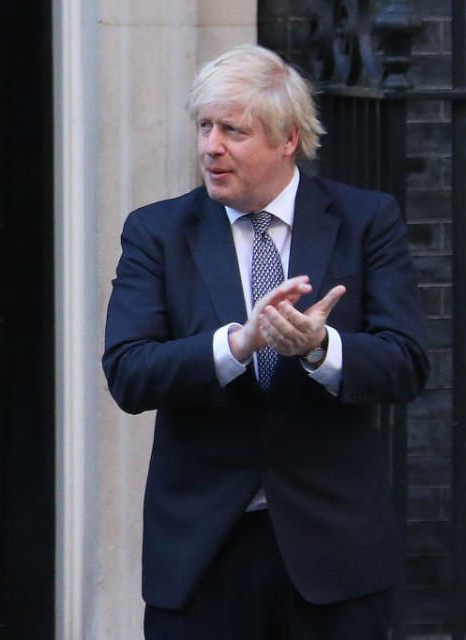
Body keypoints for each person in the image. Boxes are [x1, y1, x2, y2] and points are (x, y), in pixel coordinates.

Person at [103, 44, 429, 639]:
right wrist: (237, 343)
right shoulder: (157, 232)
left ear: (288, 139)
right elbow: (129, 372)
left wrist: (318, 347)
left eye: (233, 130)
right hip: (202, 553)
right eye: (204, 126)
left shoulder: (366, 220)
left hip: (333, 554)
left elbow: (406, 363)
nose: (211, 146)